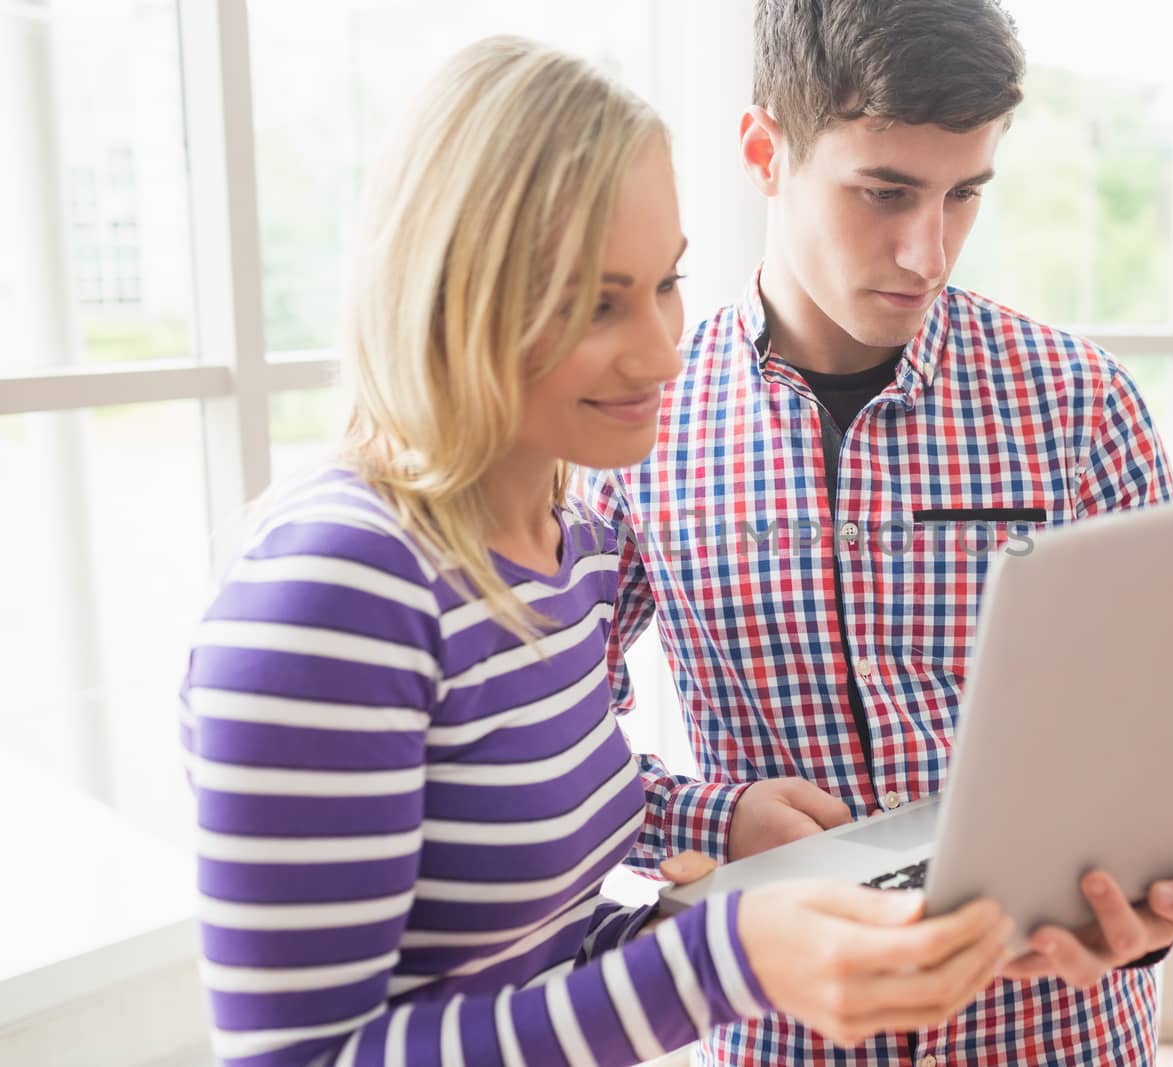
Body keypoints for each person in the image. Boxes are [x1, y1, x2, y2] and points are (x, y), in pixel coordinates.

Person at [179, 36, 1017, 1067]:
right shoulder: (332, 595)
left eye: (665, 282)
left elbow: (535, 958)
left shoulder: (566, 548)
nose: (667, 351)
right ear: (450, 295)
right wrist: (723, 953)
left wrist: (743, 920)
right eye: (596, 302)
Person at [585, 1, 1173, 1063]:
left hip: (1054, 1026)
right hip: (785, 1035)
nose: (926, 251)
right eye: (882, 192)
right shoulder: (641, 417)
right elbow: (556, 744)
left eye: (963, 194)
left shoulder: (1077, 404)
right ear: (765, 152)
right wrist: (712, 817)